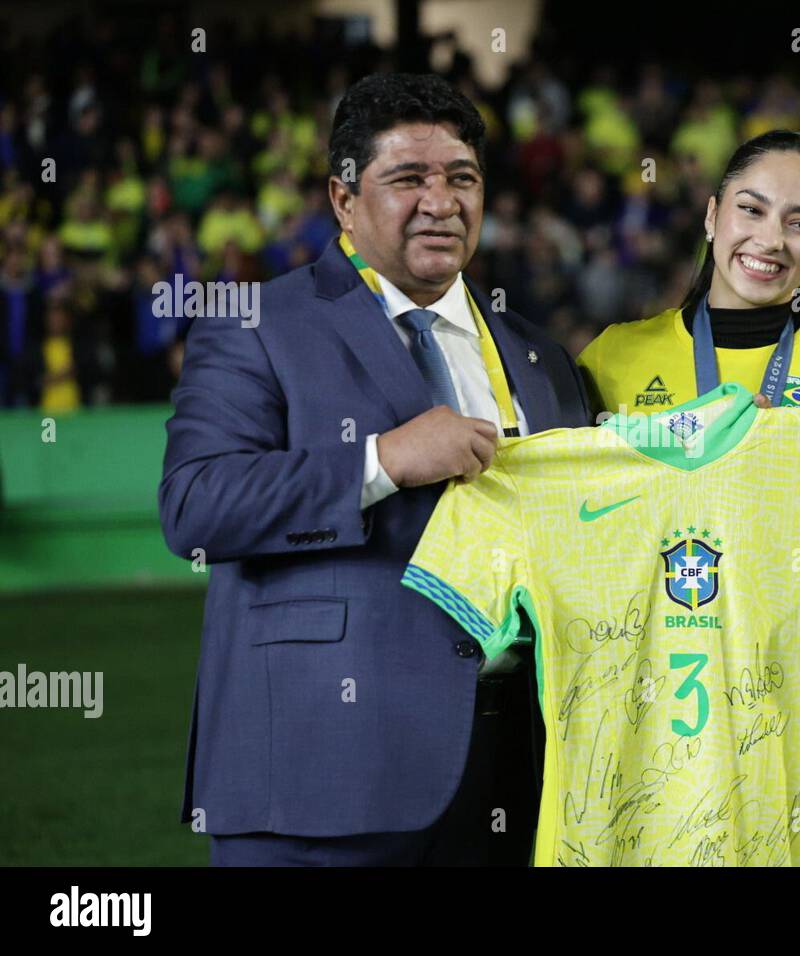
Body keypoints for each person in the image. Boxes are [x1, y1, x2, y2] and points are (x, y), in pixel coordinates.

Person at [159, 73, 589, 866]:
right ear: (343, 198)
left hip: (515, 778)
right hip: (318, 777)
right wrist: (382, 460)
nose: (441, 200)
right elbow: (195, 505)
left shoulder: (540, 356)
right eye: (408, 179)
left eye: (462, 178)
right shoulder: (254, 324)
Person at [578, 130, 800, 865]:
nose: (770, 239)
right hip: (667, 710)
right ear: (712, 217)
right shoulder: (612, 361)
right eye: (752, 209)